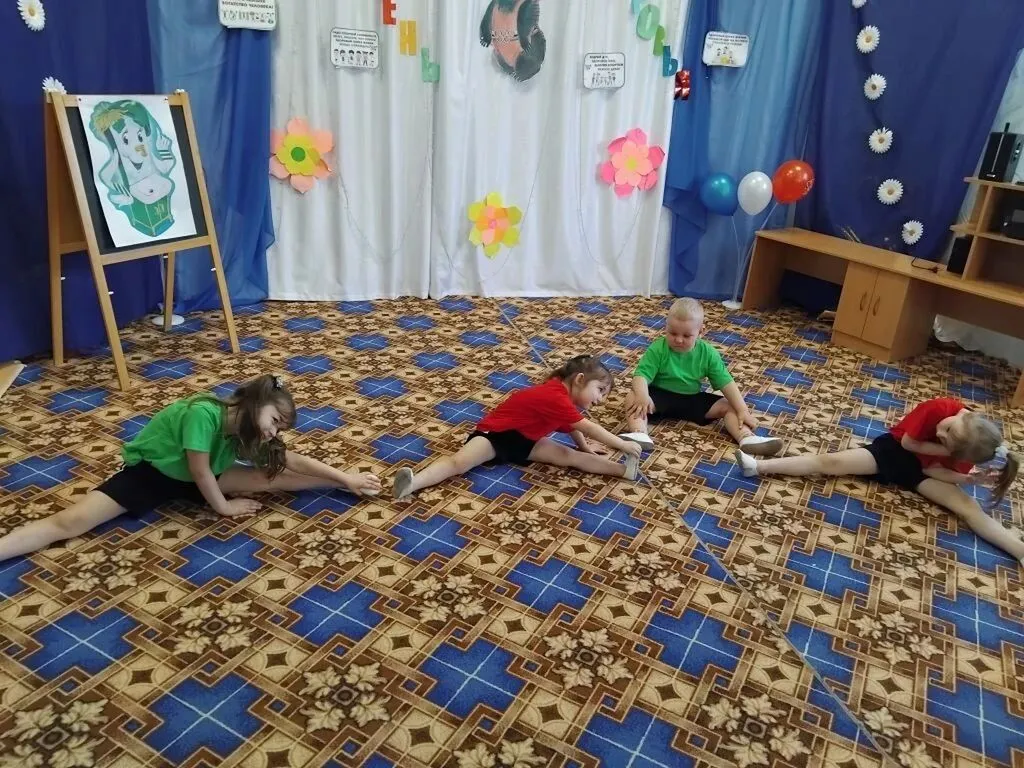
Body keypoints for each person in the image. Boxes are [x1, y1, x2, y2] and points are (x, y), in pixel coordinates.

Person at [0, 374, 381, 562]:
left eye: (281, 427)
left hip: (204, 478)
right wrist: (224, 507)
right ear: (254, 402)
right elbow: (199, 472)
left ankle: (345, 487)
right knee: (71, 522)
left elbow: (289, 460)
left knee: (275, 475)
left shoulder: (248, 430)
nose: (274, 431)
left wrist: (344, 477)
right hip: (153, 476)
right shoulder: (203, 413)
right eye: (275, 420)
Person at [734, 397, 1024, 565]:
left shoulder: (965, 448)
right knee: (830, 463)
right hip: (893, 452)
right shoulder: (939, 409)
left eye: (946, 440)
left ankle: (1019, 551)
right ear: (963, 415)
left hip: (922, 473)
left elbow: (935, 471)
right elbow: (909, 444)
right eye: (947, 431)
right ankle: (758, 467)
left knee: (969, 507)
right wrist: (943, 449)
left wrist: (966, 478)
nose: (940, 433)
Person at [393, 355, 642, 499]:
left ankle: (623, 470)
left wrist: (585, 447)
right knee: (459, 463)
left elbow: (574, 426)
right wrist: (622, 444)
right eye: (600, 390)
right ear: (579, 380)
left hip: (526, 440)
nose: (601, 400)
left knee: (570, 456)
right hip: (497, 436)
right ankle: (412, 483)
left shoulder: (565, 401)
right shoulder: (554, 395)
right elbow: (587, 426)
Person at [619, 297, 782, 455]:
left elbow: (726, 383)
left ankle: (746, 437)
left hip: (692, 399)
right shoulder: (658, 348)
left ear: (700, 332)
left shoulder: (708, 353)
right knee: (633, 397)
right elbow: (641, 376)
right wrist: (642, 395)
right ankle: (639, 432)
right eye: (673, 333)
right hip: (659, 397)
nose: (679, 340)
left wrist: (743, 410)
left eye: (686, 336)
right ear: (666, 326)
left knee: (730, 405)